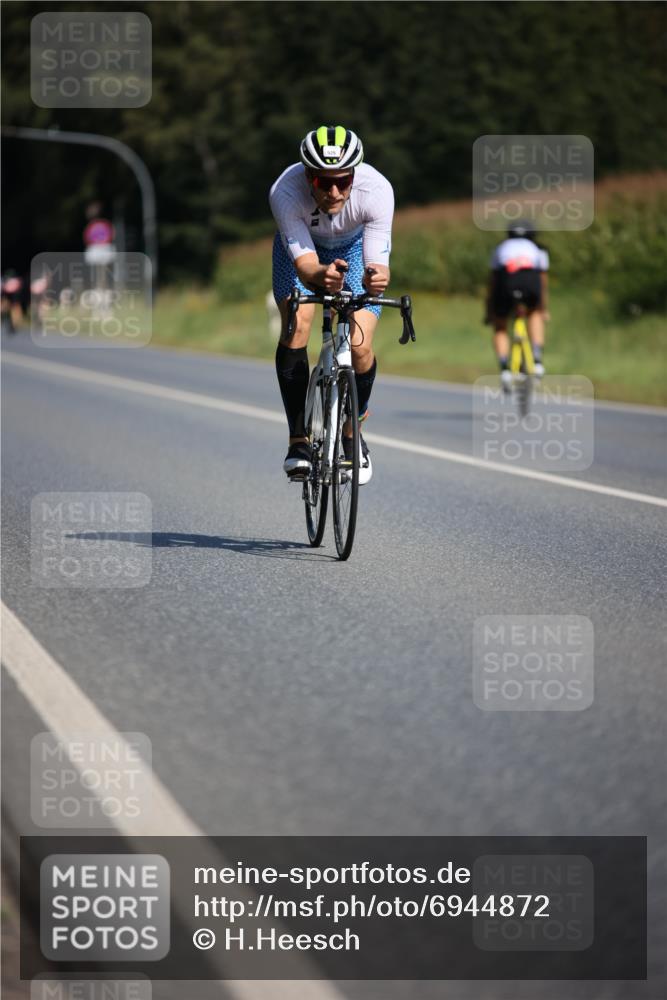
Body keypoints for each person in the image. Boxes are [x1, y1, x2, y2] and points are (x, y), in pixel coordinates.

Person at [269, 125, 394, 483]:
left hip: (354, 250)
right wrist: (320, 274)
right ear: (308, 177)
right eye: (325, 183)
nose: (335, 191)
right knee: (298, 327)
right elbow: (306, 265)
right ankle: (298, 440)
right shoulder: (285, 191)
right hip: (303, 252)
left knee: (360, 347)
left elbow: (377, 262)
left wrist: (375, 279)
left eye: (343, 180)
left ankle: (354, 430)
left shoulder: (377, 191)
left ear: (355, 175)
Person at [485, 222, 549, 392]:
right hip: (530, 281)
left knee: (500, 326)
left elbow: (493, 280)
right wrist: (543, 309)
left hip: (507, 281)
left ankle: (505, 368)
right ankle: (536, 360)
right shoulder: (538, 249)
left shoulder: (501, 247)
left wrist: (490, 311)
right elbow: (542, 280)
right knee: (535, 314)